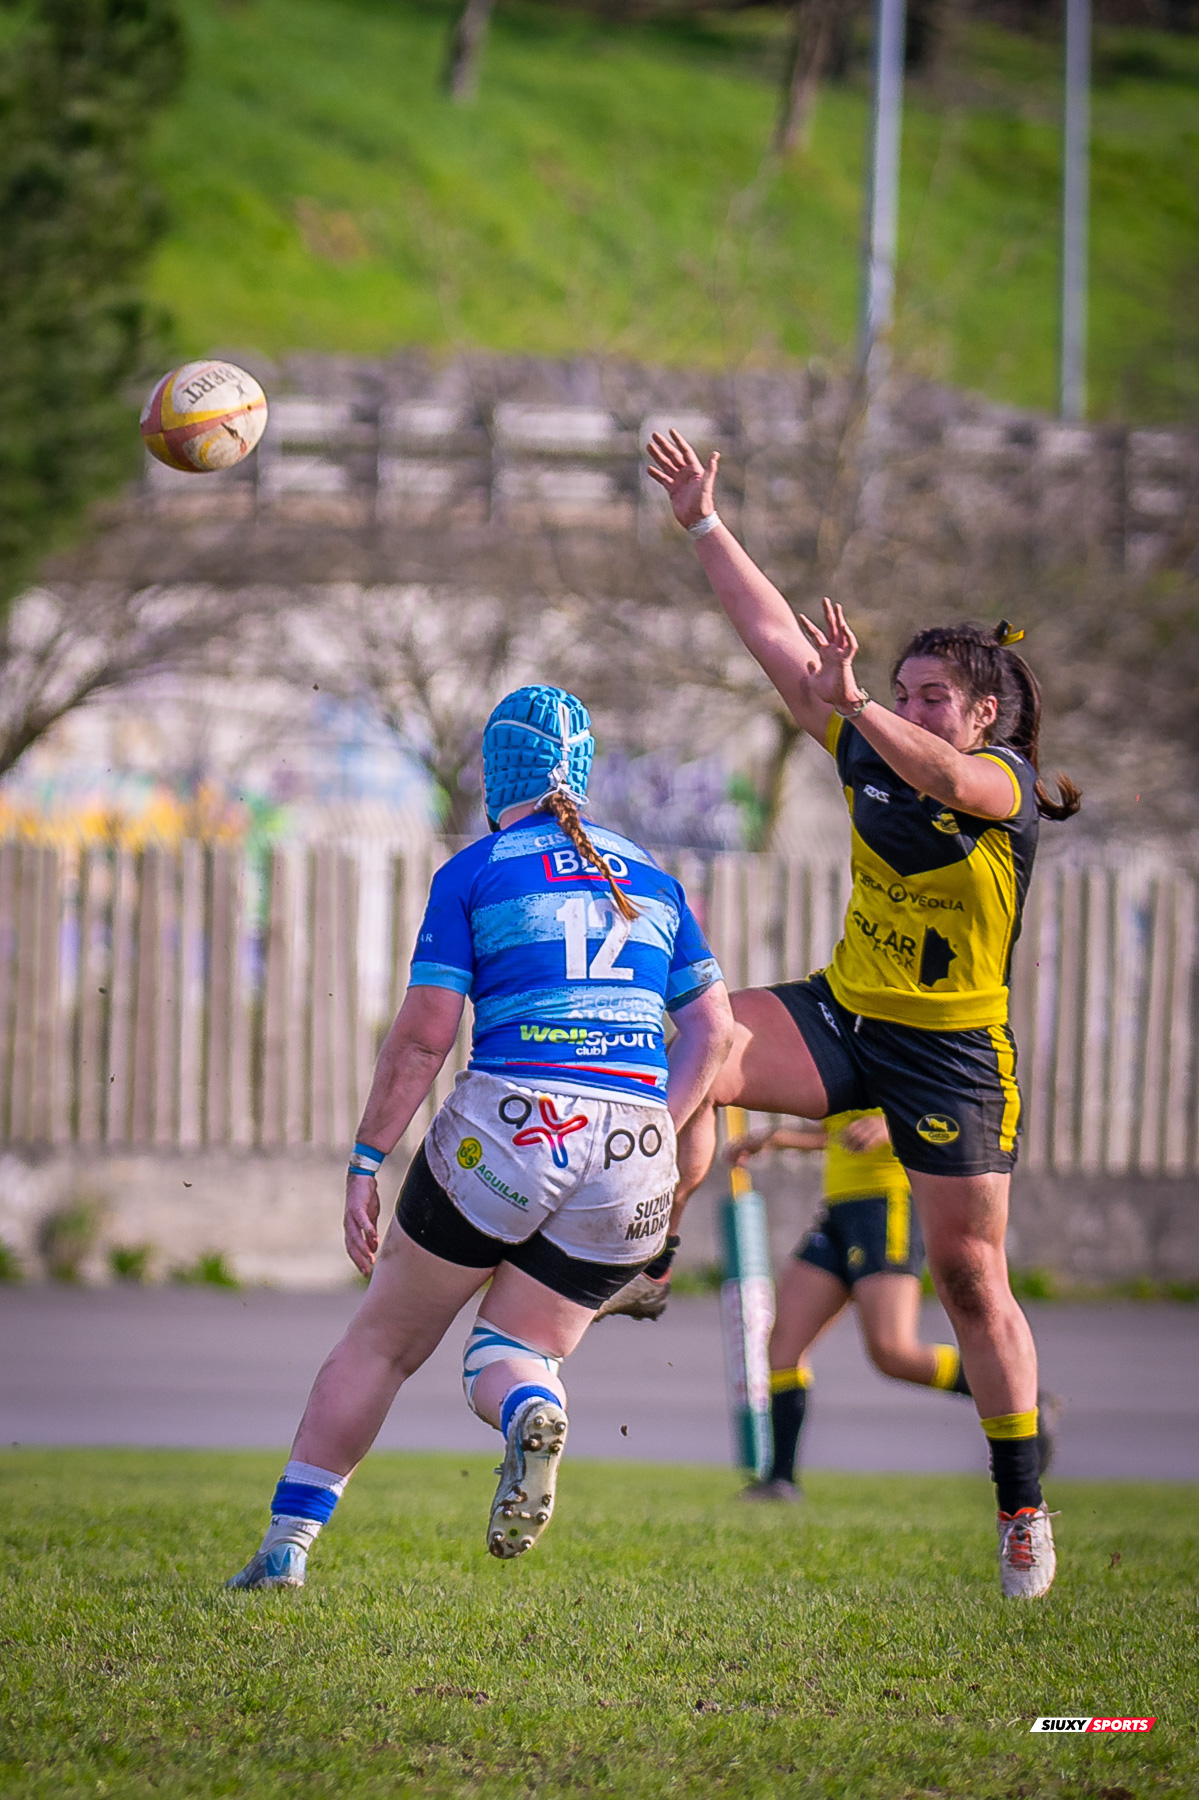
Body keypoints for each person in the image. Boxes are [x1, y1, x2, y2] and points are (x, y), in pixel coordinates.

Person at [640, 428, 1081, 1600]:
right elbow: (771, 633)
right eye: (899, 690)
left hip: (950, 1057)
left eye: (932, 695)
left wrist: (852, 710)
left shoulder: (1001, 790)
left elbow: (938, 780)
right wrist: (701, 523)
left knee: (968, 1282)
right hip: (846, 1015)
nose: (906, 705)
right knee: (701, 1036)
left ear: (983, 714)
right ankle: (646, 1235)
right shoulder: (862, 743)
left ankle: (1021, 1508)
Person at [226, 685, 733, 1589]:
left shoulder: (478, 868)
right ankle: (529, 1403)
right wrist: (664, 1116)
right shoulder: (650, 877)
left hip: (512, 1127)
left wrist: (364, 1161)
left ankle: (285, 1550)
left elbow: (425, 1036)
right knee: (510, 1351)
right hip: (633, 1156)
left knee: (382, 1343)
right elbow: (716, 1030)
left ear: (498, 772)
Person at [724, 1110, 1056, 1500]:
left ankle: (1025, 1398)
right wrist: (779, 1137)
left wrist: (893, 1125)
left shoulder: (913, 1056)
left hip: (887, 1203)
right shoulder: (852, 1052)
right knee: (782, 1347)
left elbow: (956, 1117)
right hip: (839, 1210)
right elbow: (840, 1132)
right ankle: (780, 1482)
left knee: (893, 1352)